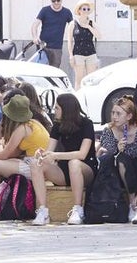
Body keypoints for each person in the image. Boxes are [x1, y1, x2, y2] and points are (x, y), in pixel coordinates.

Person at [0, 93, 50, 225]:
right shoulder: (34, 123)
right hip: (32, 163)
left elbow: (5, 154)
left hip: (31, 166)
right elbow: (12, 152)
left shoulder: (22, 129)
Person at [33, 92, 96, 225]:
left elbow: (82, 154)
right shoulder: (57, 125)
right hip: (64, 170)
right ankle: (43, 210)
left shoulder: (86, 124)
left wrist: (56, 156)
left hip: (85, 169)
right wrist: (42, 154)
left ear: (66, 109)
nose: (54, 111)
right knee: (36, 164)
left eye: (57, 108)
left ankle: (78, 209)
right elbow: (49, 151)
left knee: (74, 163)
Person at [97, 96, 137, 209]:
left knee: (124, 160)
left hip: (135, 176)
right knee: (120, 159)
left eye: (118, 114)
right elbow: (105, 159)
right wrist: (117, 149)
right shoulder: (108, 132)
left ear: (129, 116)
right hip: (113, 176)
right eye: (113, 113)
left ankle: (133, 202)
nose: (114, 117)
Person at [31, 0, 72, 68]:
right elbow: (34, 25)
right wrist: (35, 37)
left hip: (57, 48)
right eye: (53, 1)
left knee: (54, 71)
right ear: (51, 1)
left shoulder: (67, 12)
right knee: (40, 69)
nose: (56, 2)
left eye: (58, 0)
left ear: (61, 0)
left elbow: (72, 27)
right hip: (43, 46)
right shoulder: (45, 10)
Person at [65, 0, 100, 86]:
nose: (86, 11)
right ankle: (78, 97)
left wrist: (88, 26)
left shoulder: (92, 23)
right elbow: (70, 41)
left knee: (91, 79)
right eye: (84, 9)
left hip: (91, 53)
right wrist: (71, 55)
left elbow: (99, 36)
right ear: (79, 10)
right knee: (79, 79)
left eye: (88, 9)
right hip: (78, 53)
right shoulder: (73, 24)